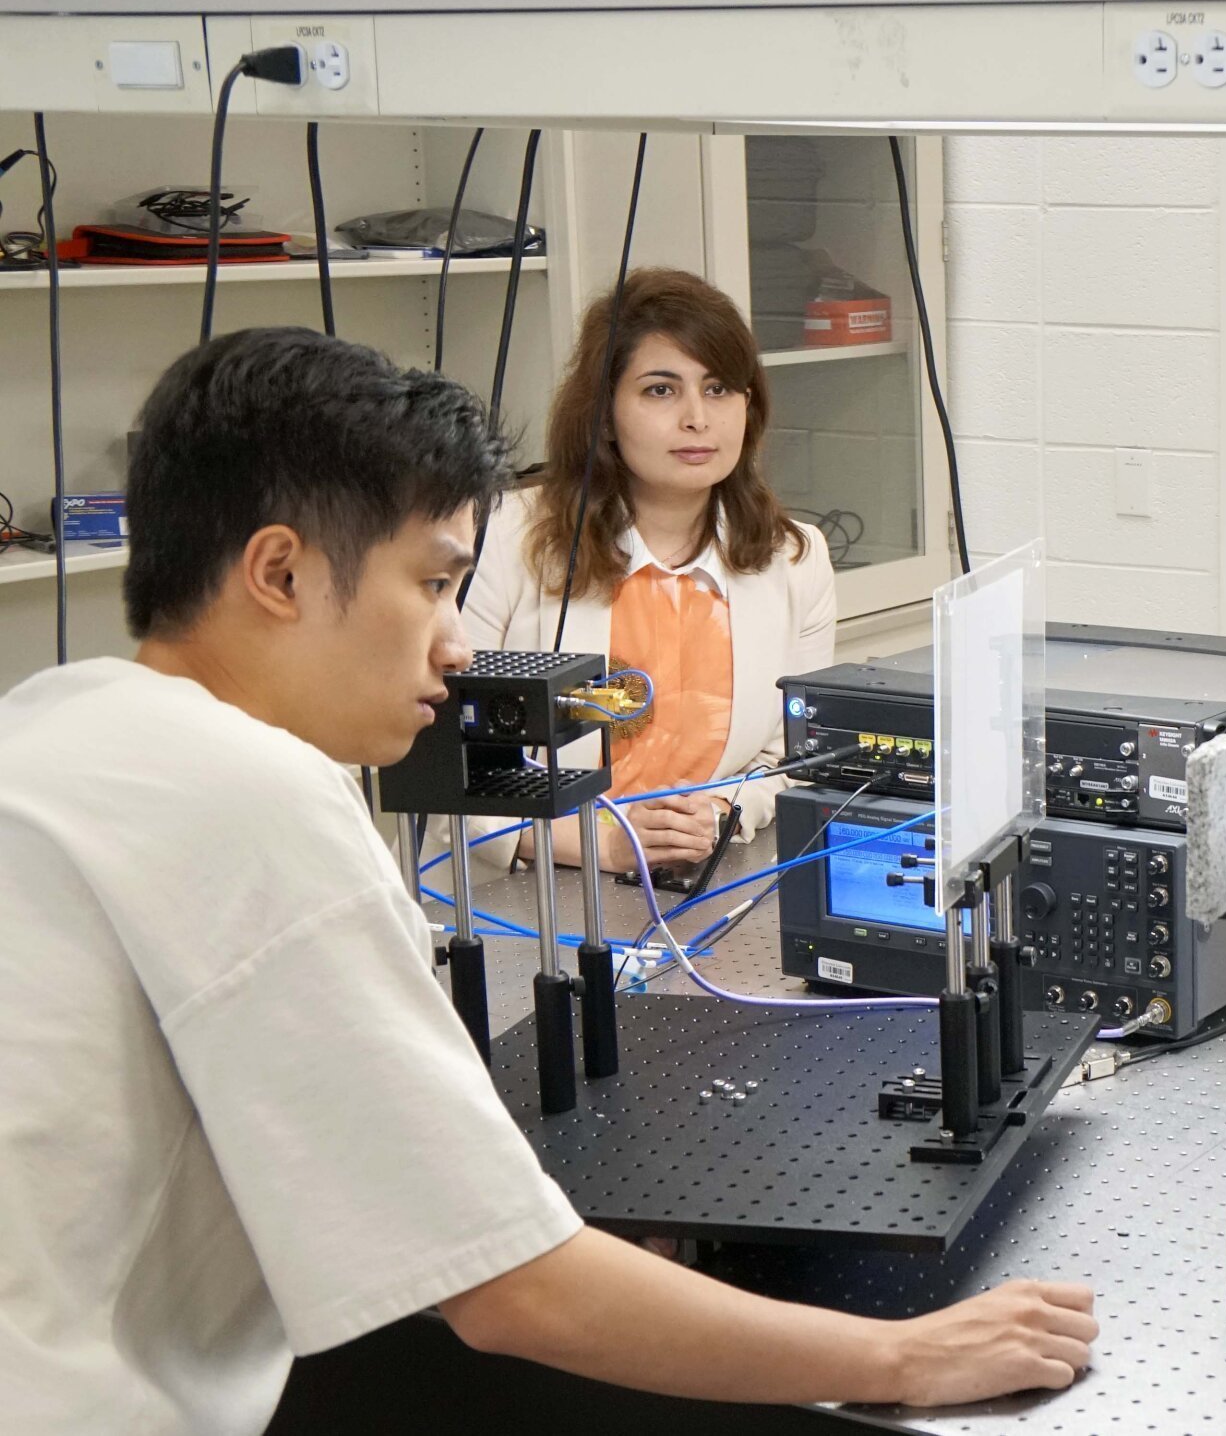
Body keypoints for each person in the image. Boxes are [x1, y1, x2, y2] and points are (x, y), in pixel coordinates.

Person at [0, 328, 1095, 1431]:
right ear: (280, 572)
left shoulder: (52, 724)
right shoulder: (252, 798)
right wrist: (902, 1357)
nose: (456, 645)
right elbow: (509, 1286)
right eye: (432, 583)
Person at [464, 267, 838, 875]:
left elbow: (795, 759)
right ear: (604, 414)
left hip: (701, 876)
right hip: (525, 889)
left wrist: (720, 812)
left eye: (719, 388)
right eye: (661, 390)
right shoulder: (502, 539)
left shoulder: (795, 558)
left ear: (749, 406)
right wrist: (610, 847)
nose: (697, 418)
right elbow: (452, 770)